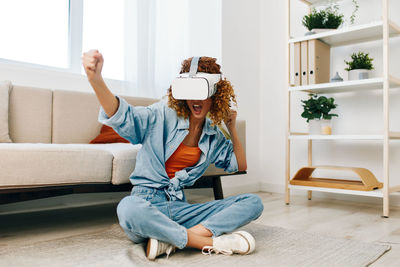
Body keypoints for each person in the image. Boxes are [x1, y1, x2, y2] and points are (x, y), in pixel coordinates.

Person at [82, 50, 264, 260]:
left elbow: (239, 165)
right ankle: (207, 242)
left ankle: (170, 239)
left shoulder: (213, 134)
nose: (195, 98)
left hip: (179, 209)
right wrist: (96, 81)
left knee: (253, 202)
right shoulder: (162, 114)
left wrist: (232, 128)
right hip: (147, 204)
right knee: (127, 208)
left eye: (202, 90)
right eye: (189, 89)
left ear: (216, 94)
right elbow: (125, 117)